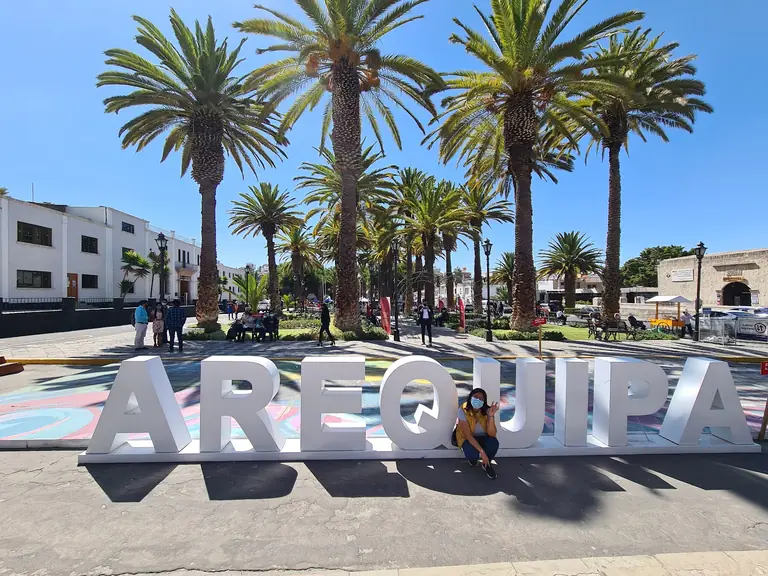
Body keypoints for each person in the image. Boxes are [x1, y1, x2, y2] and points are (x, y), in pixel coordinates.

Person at [455, 388, 500, 479]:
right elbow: (468, 435)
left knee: (494, 443)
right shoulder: (462, 410)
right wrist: (482, 452)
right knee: (472, 453)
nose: (478, 400)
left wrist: (490, 416)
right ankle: (473, 459)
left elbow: (492, 434)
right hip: (468, 439)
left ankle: (487, 464)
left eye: (481, 398)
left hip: (484, 437)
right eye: (476, 397)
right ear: (470, 397)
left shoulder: (487, 410)